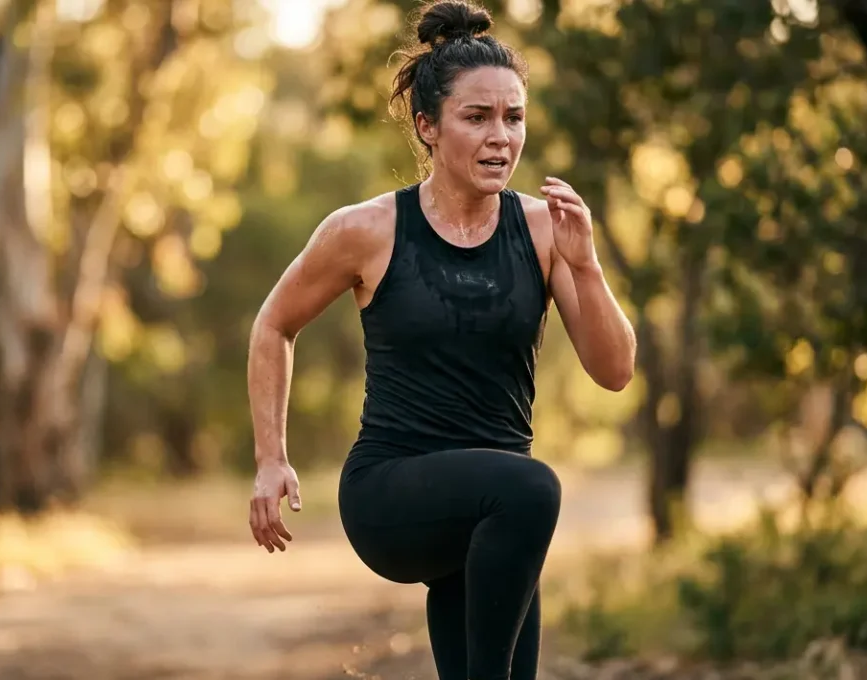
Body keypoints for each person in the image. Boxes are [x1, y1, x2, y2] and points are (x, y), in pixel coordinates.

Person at [245, 1, 636, 678]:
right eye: (476, 117)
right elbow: (274, 324)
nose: (501, 137)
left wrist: (587, 266)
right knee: (533, 489)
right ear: (427, 126)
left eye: (513, 117)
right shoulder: (366, 231)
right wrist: (270, 458)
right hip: (392, 493)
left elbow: (615, 371)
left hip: (493, 509)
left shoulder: (545, 232)